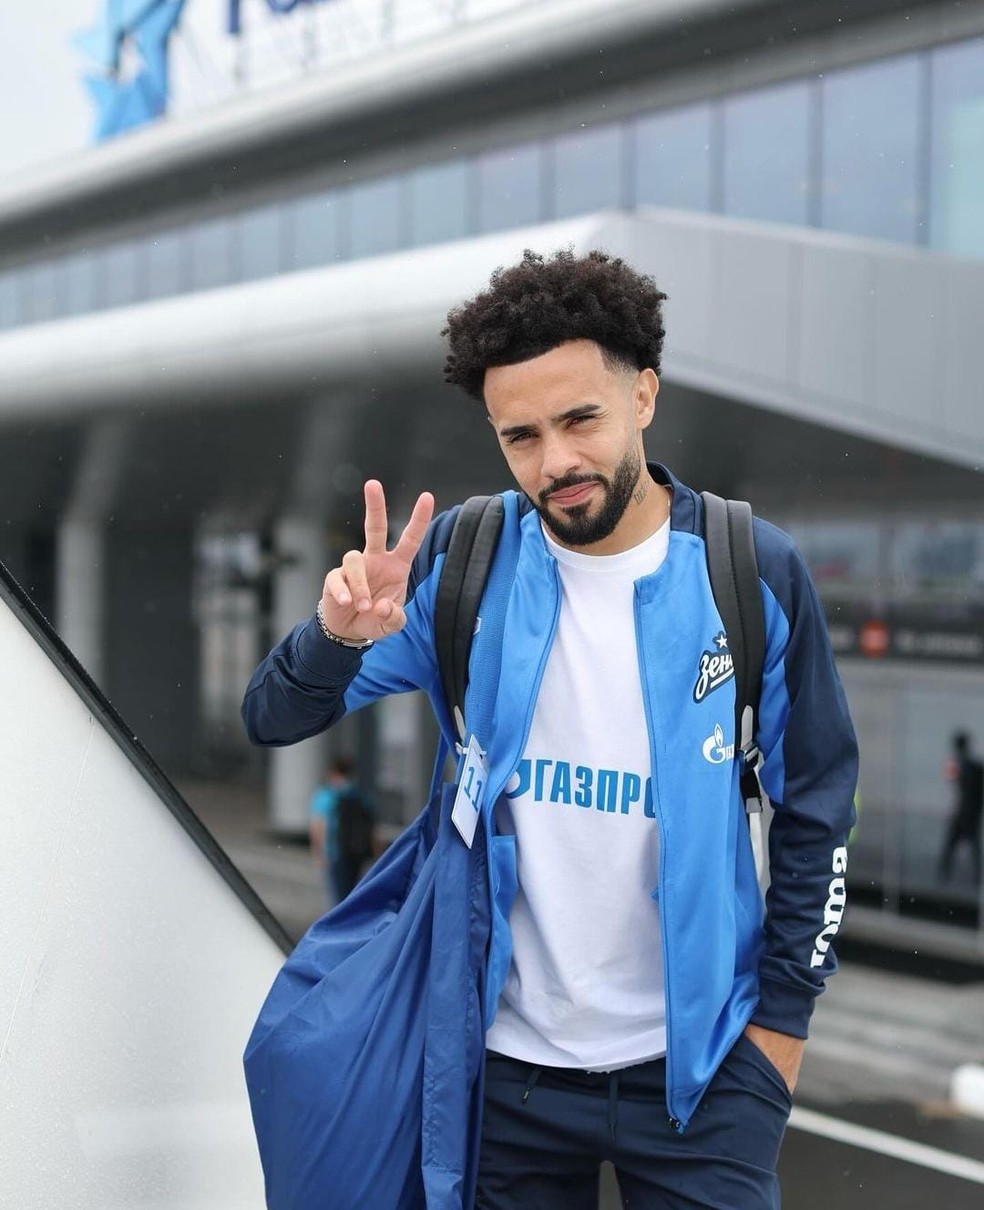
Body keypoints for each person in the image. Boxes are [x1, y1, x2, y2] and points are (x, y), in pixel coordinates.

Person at [243, 249, 858, 1208]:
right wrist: (335, 635)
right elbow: (274, 718)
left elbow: (819, 804)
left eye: (580, 420)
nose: (556, 463)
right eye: (520, 436)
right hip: (505, 1075)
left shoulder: (750, 572)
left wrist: (780, 1028)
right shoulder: (465, 565)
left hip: (701, 1074)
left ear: (643, 395)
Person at [308, 754, 374, 903]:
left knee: (338, 897)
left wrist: (318, 851)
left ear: (332, 772)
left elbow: (318, 825)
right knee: (352, 894)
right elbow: (372, 826)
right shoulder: (360, 795)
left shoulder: (327, 795)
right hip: (357, 853)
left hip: (336, 852)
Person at [938, 731, 984, 886]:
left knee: (952, 845)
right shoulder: (974, 766)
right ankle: (976, 879)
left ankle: (944, 876)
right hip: (971, 812)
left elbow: (950, 777)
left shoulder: (962, 765)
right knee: (972, 848)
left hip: (964, 812)